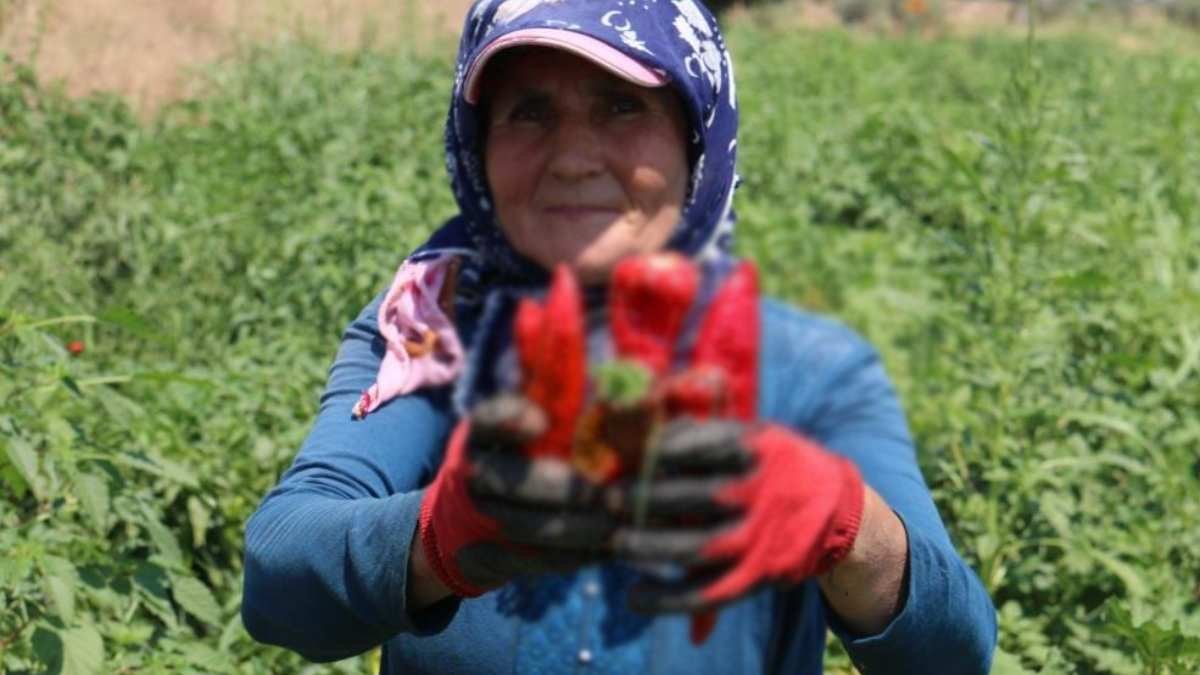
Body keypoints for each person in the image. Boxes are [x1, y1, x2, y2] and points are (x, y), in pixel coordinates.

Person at [241, 1, 998, 673]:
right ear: (479, 146)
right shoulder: (432, 334)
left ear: (694, 139)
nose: (573, 158)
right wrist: (439, 535)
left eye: (622, 107)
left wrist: (845, 525)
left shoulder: (807, 369)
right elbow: (279, 575)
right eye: (529, 112)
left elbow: (956, 652)